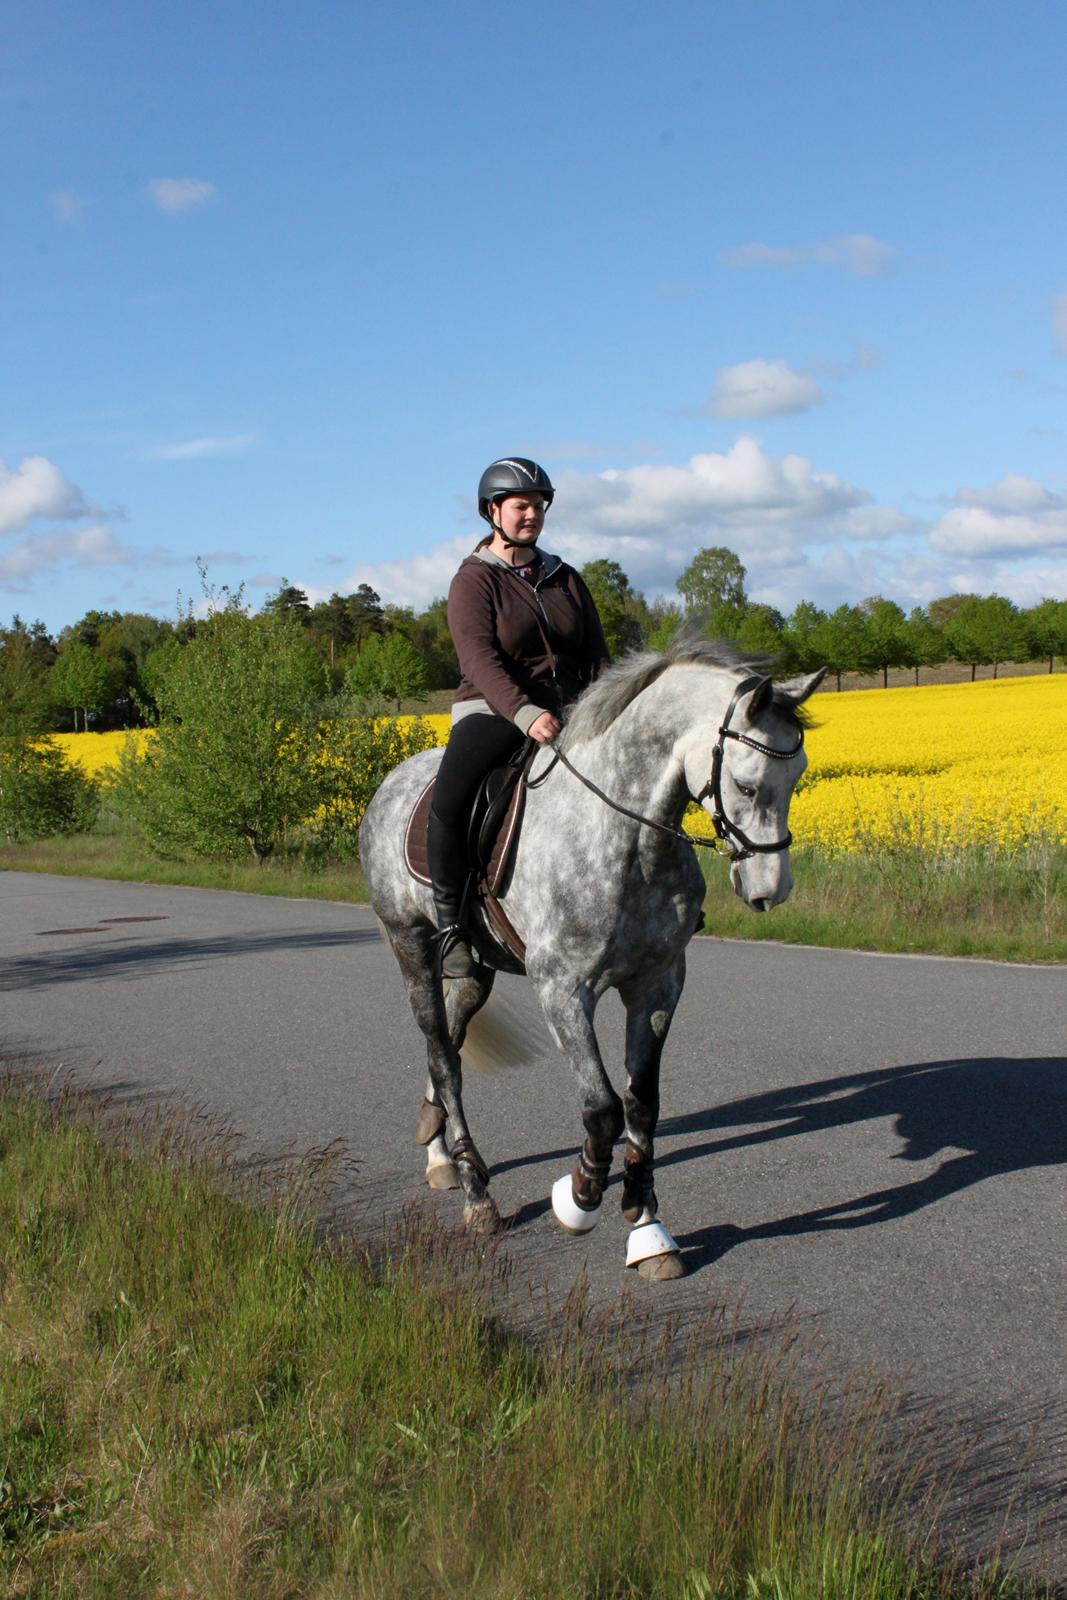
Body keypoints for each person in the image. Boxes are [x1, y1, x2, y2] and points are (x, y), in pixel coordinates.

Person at [427, 457, 611, 977]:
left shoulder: (565, 578)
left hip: (570, 708)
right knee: (451, 799)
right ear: (493, 511)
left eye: (538, 505)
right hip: (493, 707)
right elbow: (478, 659)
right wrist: (525, 713)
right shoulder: (474, 580)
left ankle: (661, 895)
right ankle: (450, 929)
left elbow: (597, 655)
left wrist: (608, 708)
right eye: (519, 506)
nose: (531, 515)